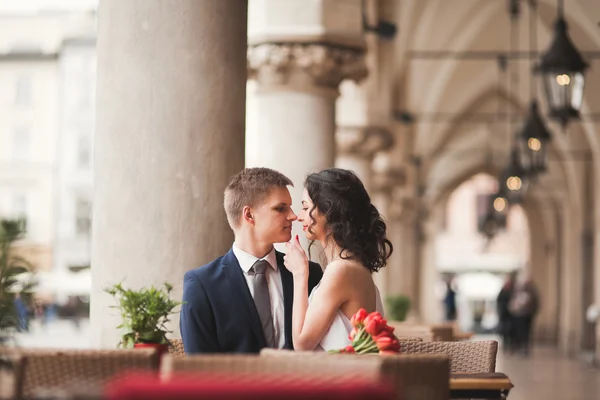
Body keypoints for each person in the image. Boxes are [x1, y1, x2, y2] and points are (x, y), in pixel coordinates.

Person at [180, 168, 323, 353]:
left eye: (291, 207)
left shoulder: (310, 274)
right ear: (249, 215)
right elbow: (197, 371)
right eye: (281, 208)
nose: (293, 216)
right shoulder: (201, 285)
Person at [283, 168, 393, 351]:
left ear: (328, 211)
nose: (299, 217)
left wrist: (300, 274)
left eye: (304, 207)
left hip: (340, 376)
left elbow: (302, 344)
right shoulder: (353, 267)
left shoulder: (341, 270)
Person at [509, 276, 539, 356]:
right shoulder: (518, 293)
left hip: (527, 315)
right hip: (519, 316)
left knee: (526, 333)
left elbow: (536, 304)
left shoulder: (532, 293)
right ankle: (519, 347)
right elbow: (512, 304)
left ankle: (525, 348)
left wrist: (531, 311)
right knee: (519, 332)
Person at [496, 273, 516, 351]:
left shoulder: (513, 291)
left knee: (511, 329)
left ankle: (511, 343)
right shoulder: (502, 291)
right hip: (503, 313)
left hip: (512, 314)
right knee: (504, 329)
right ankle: (505, 343)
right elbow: (498, 301)